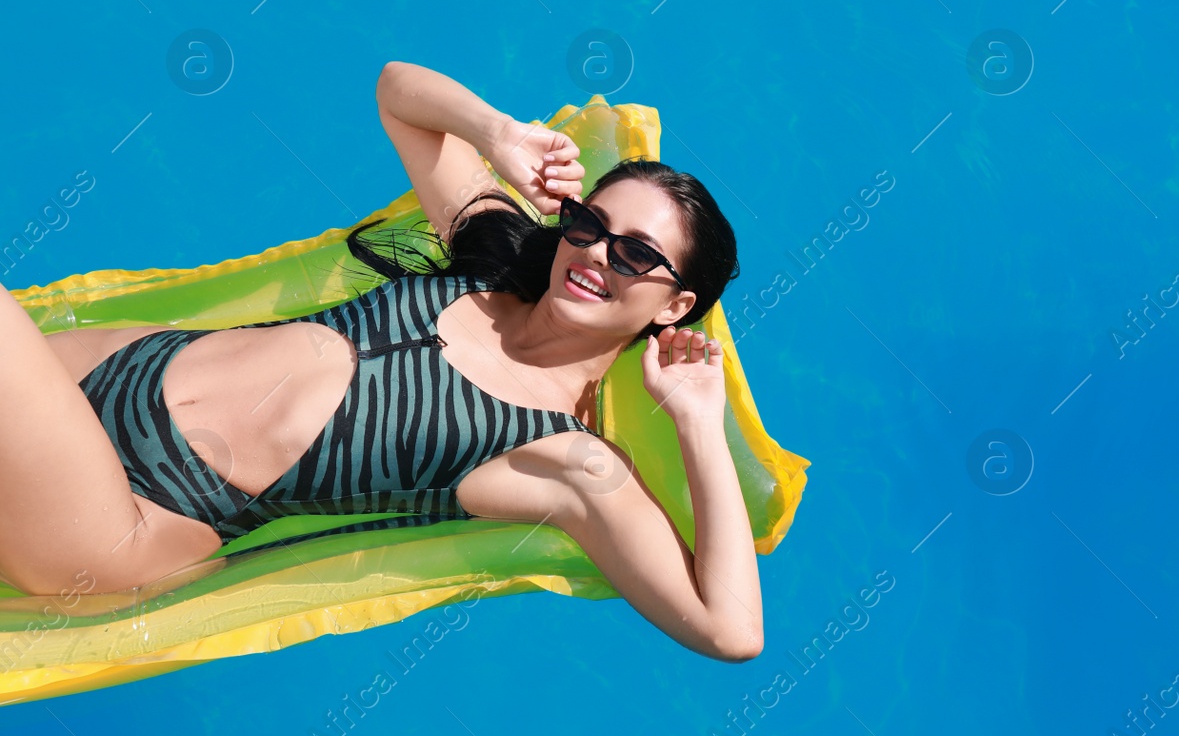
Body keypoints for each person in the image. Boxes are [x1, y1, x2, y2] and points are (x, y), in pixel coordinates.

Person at [0, 61, 762, 662]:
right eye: (591, 222)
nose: (596, 253)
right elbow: (397, 89)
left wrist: (697, 421)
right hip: (117, 372)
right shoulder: (496, 257)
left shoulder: (562, 458)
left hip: (138, 515)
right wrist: (498, 134)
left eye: (635, 254)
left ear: (672, 304)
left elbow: (730, 629)